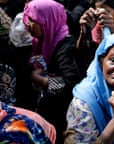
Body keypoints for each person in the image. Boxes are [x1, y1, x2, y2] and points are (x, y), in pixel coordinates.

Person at [23, 0, 82, 143]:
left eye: (33, 20)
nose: (28, 24)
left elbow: (71, 85)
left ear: (48, 20)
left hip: (60, 117)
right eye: (28, 18)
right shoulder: (43, 40)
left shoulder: (64, 47)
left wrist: (42, 81)